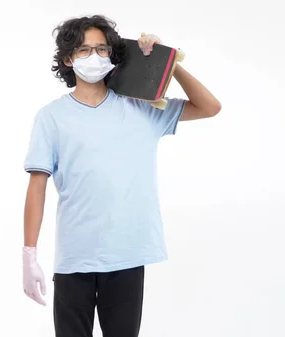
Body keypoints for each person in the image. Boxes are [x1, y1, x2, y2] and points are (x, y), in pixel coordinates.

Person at [21, 15, 221, 337]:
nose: (94, 57)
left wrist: (168, 61)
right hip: (75, 259)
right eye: (84, 50)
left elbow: (210, 106)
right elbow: (37, 187)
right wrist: (28, 255)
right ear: (68, 59)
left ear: (113, 55)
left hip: (127, 256)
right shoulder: (51, 118)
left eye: (102, 49)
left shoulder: (143, 108)